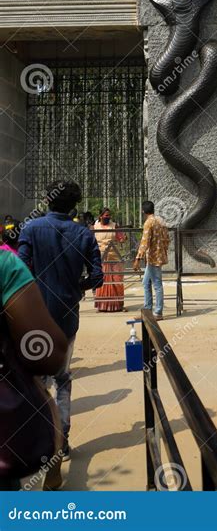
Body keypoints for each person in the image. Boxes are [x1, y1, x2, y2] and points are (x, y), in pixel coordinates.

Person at [18, 180, 103, 460]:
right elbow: (97, 277)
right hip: (67, 318)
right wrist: (78, 288)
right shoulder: (84, 234)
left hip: (35, 317)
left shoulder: (31, 229)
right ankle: (62, 442)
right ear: (75, 204)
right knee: (63, 380)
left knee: (37, 381)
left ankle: (39, 441)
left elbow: (20, 270)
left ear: (47, 199)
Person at [0, 249, 67, 490]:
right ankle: (59, 454)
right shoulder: (5, 265)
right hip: (42, 312)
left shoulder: (26, 238)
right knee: (62, 382)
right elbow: (49, 357)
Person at [133, 201, 170, 321]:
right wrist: (162, 250)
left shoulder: (149, 223)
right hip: (157, 257)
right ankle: (148, 310)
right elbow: (167, 239)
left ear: (143, 211)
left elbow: (145, 242)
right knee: (146, 283)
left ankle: (158, 312)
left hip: (153, 258)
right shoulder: (160, 221)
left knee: (157, 284)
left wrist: (138, 258)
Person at [94, 207, 126, 312]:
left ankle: (118, 305)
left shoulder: (114, 226)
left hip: (114, 257)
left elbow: (121, 238)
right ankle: (103, 305)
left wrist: (123, 237)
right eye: (106, 215)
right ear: (101, 216)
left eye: (109, 215)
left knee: (117, 280)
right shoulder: (95, 226)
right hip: (101, 257)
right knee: (102, 281)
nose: (108, 217)